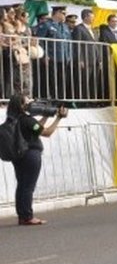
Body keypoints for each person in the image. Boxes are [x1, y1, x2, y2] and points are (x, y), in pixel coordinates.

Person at [5, 94, 68, 225]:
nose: (31, 104)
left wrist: (46, 114)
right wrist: (58, 118)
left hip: (18, 157)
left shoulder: (13, 120)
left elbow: (36, 128)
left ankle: (23, 215)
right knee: (28, 186)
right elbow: (47, 132)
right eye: (27, 102)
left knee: (22, 185)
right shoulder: (27, 120)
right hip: (31, 156)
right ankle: (28, 216)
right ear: (21, 106)